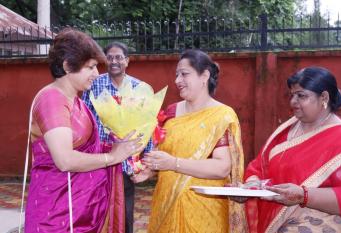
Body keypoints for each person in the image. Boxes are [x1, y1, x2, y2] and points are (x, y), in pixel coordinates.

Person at [24, 28, 143, 233]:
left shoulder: (77, 102)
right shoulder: (52, 100)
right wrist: (111, 157)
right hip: (57, 213)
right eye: (91, 67)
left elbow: (88, 146)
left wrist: (117, 146)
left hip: (81, 207)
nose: (97, 74)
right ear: (68, 66)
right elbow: (65, 160)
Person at [137, 49, 247, 233]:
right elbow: (162, 156)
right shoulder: (171, 112)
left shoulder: (221, 116)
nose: (177, 80)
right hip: (166, 203)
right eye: (176, 75)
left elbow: (222, 168)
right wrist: (148, 171)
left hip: (204, 209)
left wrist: (173, 163)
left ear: (204, 76)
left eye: (184, 74)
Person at [240, 67, 341, 233]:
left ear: (324, 97)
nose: (293, 101)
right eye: (292, 95)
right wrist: (250, 187)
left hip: (325, 218)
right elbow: (258, 166)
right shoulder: (286, 129)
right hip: (278, 219)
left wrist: (303, 195)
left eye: (301, 96)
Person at [81, 41, 152, 233]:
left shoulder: (139, 88)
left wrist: (145, 163)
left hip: (126, 161)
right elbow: (83, 116)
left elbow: (147, 127)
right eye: (110, 57)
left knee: (125, 212)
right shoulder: (94, 84)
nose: (114, 61)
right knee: (97, 212)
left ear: (127, 61)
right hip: (98, 159)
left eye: (119, 57)